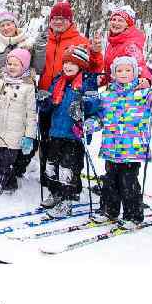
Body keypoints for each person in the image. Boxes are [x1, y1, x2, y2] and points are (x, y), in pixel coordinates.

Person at [84, 56, 152, 229]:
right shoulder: (107, 95)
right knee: (110, 182)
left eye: (128, 70)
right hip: (111, 148)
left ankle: (133, 215)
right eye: (119, 70)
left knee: (128, 183)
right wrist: (88, 125)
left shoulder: (143, 93)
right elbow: (101, 118)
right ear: (113, 73)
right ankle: (109, 210)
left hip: (133, 149)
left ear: (136, 72)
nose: (123, 73)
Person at [37, 0, 103, 198]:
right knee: (49, 141)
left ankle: (71, 184)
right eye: (54, 18)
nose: (58, 22)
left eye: (62, 19)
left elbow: (94, 69)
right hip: (49, 98)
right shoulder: (43, 39)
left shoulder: (80, 40)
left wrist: (97, 53)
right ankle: (51, 182)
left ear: (70, 21)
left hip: (72, 97)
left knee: (72, 145)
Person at [0, 9, 47, 183]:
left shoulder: (26, 43)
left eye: (9, 24)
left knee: (20, 135)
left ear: (15, 25)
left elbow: (38, 67)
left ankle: (15, 169)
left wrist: (38, 48)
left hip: (22, 94)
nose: (6, 27)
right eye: (2, 25)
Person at [36, 44, 98, 216]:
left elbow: (94, 105)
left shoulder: (87, 82)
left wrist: (83, 106)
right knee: (52, 166)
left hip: (74, 135)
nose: (68, 66)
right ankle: (56, 193)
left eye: (73, 63)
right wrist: (44, 102)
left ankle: (67, 200)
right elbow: (50, 106)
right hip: (56, 131)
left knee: (67, 169)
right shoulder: (58, 81)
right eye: (66, 63)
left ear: (81, 66)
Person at [0, 48, 37, 204]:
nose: (11, 67)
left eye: (15, 64)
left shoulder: (28, 86)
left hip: (15, 134)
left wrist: (29, 136)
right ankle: (10, 184)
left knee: (4, 164)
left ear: (23, 66)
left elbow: (31, 114)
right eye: (9, 63)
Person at [101, 5, 152, 87]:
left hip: (126, 88)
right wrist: (104, 78)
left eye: (121, 20)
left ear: (128, 25)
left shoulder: (130, 45)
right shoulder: (114, 41)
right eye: (113, 19)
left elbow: (139, 63)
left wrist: (146, 79)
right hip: (113, 85)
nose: (116, 23)